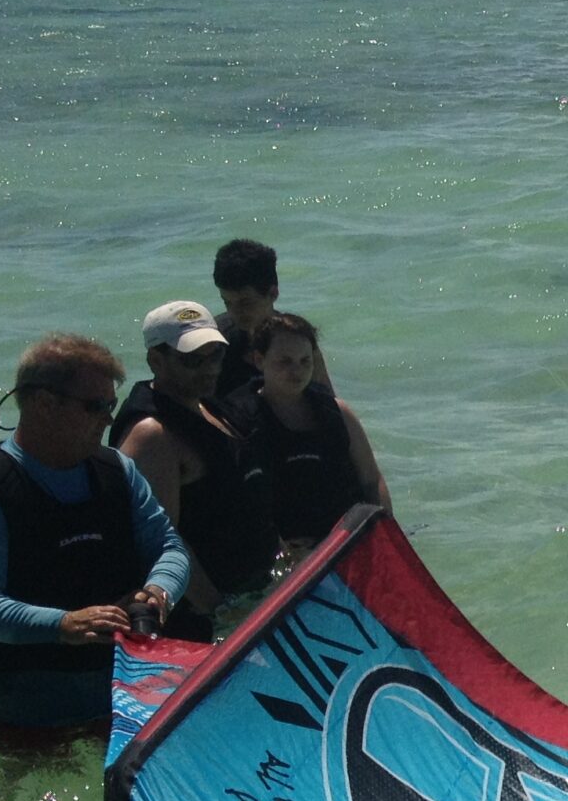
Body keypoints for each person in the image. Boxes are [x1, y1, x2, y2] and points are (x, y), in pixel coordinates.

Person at [0, 334, 189, 735]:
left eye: (111, 405)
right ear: (43, 403)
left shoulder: (117, 471)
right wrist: (64, 624)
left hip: (129, 698)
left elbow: (168, 546)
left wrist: (159, 590)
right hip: (28, 712)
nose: (109, 419)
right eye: (96, 406)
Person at [115, 301, 279, 641]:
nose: (210, 369)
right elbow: (161, 540)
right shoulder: (152, 435)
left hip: (252, 597)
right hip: (208, 622)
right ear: (155, 361)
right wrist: (220, 613)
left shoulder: (209, 406)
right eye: (193, 359)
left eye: (216, 355)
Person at [243, 310, 390, 551]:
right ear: (259, 360)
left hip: (345, 543)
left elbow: (372, 480)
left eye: (305, 361)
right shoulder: (242, 422)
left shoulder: (338, 413)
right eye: (285, 361)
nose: (297, 371)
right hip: (286, 555)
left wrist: (382, 534)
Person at [210, 237, 331, 401]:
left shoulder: (297, 339)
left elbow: (328, 403)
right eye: (227, 302)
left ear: (273, 293)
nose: (235, 312)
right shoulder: (215, 342)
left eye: (246, 302)